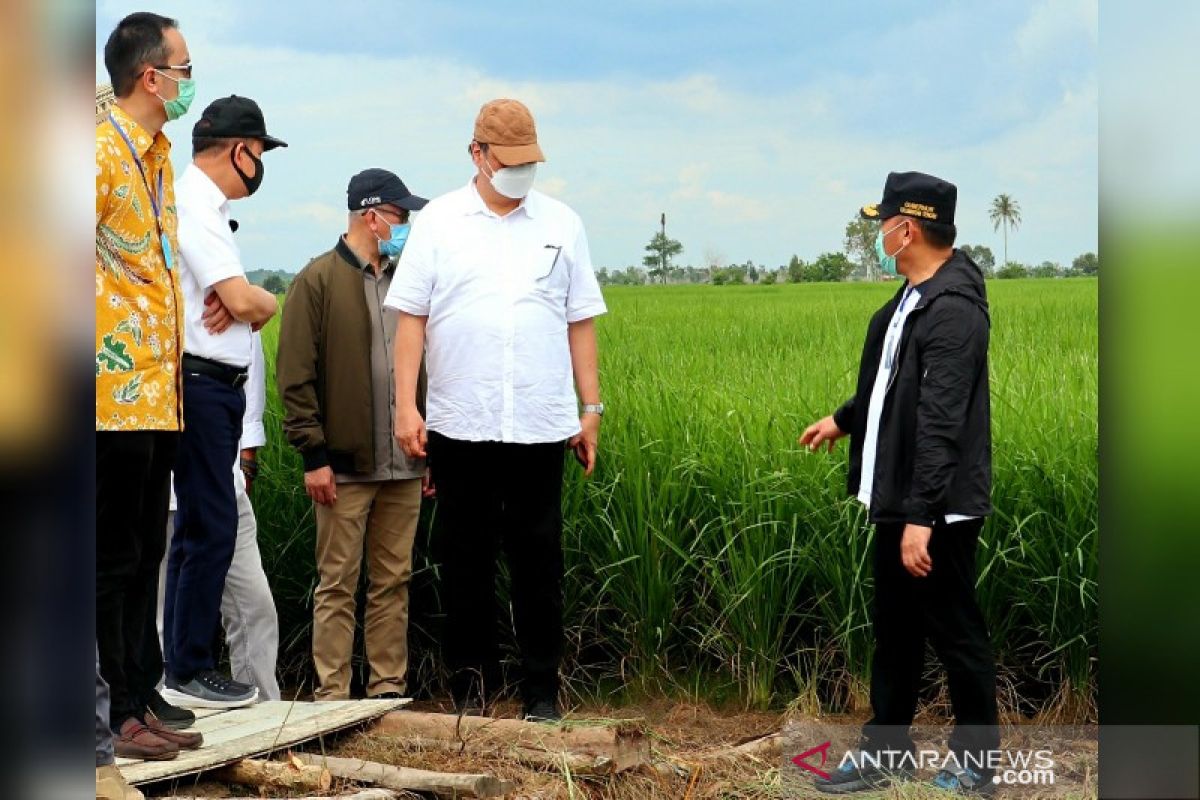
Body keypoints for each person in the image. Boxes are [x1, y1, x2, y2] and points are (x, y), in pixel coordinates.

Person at [386, 99, 607, 721]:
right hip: (462, 422)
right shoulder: (440, 223)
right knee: (466, 563)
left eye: (528, 161)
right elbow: (412, 322)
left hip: (540, 424)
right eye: (507, 161)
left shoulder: (562, 224)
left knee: (540, 559)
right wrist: (408, 407)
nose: (519, 172)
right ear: (477, 154)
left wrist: (590, 407)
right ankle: (471, 691)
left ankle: (542, 694)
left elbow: (580, 321)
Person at [799, 172, 1000, 795]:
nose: (879, 231)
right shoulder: (912, 298)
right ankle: (885, 752)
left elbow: (941, 421)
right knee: (896, 632)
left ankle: (978, 764)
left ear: (906, 229)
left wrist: (922, 518)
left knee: (955, 632)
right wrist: (843, 419)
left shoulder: (954, 309)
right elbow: (892, 388)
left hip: (932, 506)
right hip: (898, 499)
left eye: (882, 222)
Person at [276, 169, 430, 701]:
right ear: (373, 215)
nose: (406, 224)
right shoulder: (315, 281)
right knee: (338, 584)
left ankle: (388, 690)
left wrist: (427, 453)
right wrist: (313, 456)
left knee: (393, 581)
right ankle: (331, 697)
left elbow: (426, 365)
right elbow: (295, 378)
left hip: (405, 463)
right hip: (343, 465)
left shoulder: (407, 282)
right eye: (401, 215)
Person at [96, 11, 203, 759]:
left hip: (159, 390)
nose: (191, 78)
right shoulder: (95, 151)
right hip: (107, 395)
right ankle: (110, 713)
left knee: (143, 551)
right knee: (108, 555)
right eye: (185, 66)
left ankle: (138, 692)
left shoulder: (157, 155)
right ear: (150, 75)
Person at [162, 95, 285, 708]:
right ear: (240, 149)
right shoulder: (198, 204)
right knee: (209, 528)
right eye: (259, 154)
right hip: (204, 384)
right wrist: (263, 302)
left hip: (215, 387)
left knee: (198, 529)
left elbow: (235, 300)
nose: (259, 166)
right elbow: (242, 304)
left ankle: (181, 665)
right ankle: (188, 666)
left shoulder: (200, 205)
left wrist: (245, 300)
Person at [159, 330, 281, 701]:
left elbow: (248, 369)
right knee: (162, 624)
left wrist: (247, 456)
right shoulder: (149, 293)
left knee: (255, 607)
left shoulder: (230, 290)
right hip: (161, 492)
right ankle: (162, 715)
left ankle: (265, 713)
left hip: (224, 486)